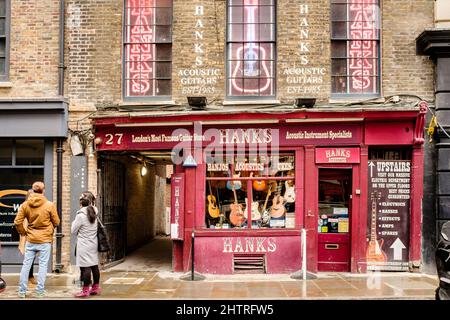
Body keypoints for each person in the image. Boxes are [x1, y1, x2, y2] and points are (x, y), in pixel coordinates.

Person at [14, 181, 60, 298]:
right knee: (43, 265)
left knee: (26, 265)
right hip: (45, 239)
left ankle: (22, 291)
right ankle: (39, 291)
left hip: (31, 239)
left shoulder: (25, 205)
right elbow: (57, 222)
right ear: (43, 191)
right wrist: (49, 229)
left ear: (33, 190)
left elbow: (17, 222)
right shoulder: (49, 205)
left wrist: (24, 233)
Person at [71, 193, 101, 297]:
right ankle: (95, 288)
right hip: (93, 243)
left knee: (85, 268)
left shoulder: (80, 215)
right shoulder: (94, 211)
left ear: (81, 203)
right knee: (94, 266)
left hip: (83, 245)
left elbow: (73, 231)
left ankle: (85, 290)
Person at [18, 189, 38, 287]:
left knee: (32, 257)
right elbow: (19, 221)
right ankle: (26, 280)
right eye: (31, 195)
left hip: (33, 234)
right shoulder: (24, 206)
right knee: (28, 259)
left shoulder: (35, 206)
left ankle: (30, 277)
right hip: (25, 234)